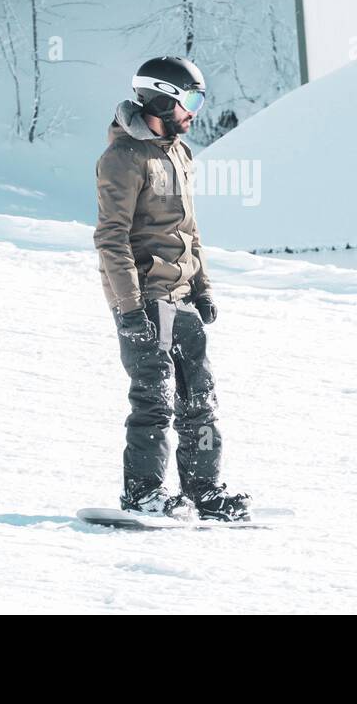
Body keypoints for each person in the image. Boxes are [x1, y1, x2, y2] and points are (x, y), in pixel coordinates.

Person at [93, 56, 252, 522]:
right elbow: (111, 237)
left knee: (199, 400)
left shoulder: (178, 152)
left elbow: (189, 228)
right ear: (163, 97)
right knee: (154, 399)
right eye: (192, 101)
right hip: (144, 300)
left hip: (180, 297)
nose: (195, 112)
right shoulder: (122, 158)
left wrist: (201, 286)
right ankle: (143, 492)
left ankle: (204, 490)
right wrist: (128, 308)